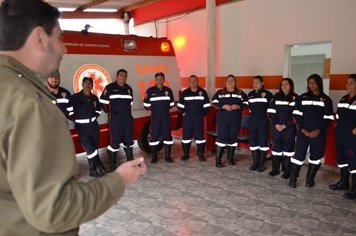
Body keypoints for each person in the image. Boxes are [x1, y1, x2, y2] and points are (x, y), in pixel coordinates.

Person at [0, 1, 147, 235]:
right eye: (60, 38)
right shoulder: (29, 103)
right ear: (39, 37)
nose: (64, 49)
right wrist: (118, 181)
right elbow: (54, 210)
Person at [290, 74, 334, 188]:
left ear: (319, 83)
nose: (312, 85)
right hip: (303, 132)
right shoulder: (302, 97)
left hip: (318, 134)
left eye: (314, 83)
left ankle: (310, 179)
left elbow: (328, 118)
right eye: (309, 83)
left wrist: (318, 130)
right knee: (298, 156)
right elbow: (296, 114)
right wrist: (302, 128)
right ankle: (293, 179)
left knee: (315, 156)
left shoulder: (326, 100)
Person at [71, 77, 107, 178]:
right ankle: (101, 167)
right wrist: (77, 120)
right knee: (90, 148)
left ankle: (92, 170)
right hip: (82, 128)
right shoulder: (75, 97)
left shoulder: (94, 98)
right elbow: (69, 112)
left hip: (93, 126)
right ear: (82, 84)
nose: (88, 84)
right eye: (86, 83)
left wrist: (93, 118)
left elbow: (99, 111)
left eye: (90, 83)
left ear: (92, 85)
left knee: (94, 148)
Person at [100, 69, 134, 171]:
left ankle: (130, 162)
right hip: (115, 120)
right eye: (121, 75)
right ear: (117, 76)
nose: (123, 77)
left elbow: (130, 104)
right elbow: (102, 101)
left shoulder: (129, 89)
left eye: (125, 76)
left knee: (129, 140)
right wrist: (109, 112)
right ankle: (113, 165)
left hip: (127, 119)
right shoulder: (110, 88)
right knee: (114, 142)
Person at [212, 74, 248, 167]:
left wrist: (238, 106)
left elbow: (247, 103)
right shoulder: (220, 92)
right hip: (222, 120)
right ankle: (218, 160)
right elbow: (214, 102)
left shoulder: (240, 93)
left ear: (235, 82)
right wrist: (223, 106)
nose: (230, 82)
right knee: (221, 139)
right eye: (228, 80)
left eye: (232, 80)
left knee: (233, 138)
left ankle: (231, 158)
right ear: (225, 82)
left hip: (235, 120)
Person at [329, 74, 356, 199]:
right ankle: (344, 182)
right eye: (347, 83)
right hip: (340, 134)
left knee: (353, 161)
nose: (348, 85)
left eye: (351, 82)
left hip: (352, 136)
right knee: (342, 159)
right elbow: (338, 115)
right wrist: (337, 125)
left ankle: (355, 189)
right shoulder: (344, 99)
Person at [267, 78, 298, 178]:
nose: (284, 86)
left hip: (289, 128)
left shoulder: (296, 98)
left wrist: (285, 125)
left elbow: (296, 115)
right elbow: (271, 112)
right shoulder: (276, 96)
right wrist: (276, 124)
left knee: (288, 150)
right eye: (282, 84)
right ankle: (275, 169)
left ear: (291, 85)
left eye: (286, 84)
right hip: (276, 128)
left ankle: (287, 171)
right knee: (276, 149)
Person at [143, 72, 175, 163]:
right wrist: (155, 110)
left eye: (161, 78)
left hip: (166, 117)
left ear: (164, 80)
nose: (160, 80)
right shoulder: (150, 91)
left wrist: (163, 109)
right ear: (155, 80)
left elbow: (171, 104)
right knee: (154, 137)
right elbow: (146, 105)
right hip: (155, 117)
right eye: (158, 78)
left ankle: (167, 157)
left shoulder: (168, 91)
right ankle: (154, 157)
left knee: (167, 136)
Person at [177, 75, 210, 161]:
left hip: (198, 118)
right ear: (188, 82)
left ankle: (201, 155)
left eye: (194, 81)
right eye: (191, 81)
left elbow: (207, 105)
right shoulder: (185, 93)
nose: (193, 82)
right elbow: (180, 105)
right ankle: (186, 154)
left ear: (197, 81)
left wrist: (203, 114)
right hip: (188, 119)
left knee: (200, 137)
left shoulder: (202, 92)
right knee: (186, 137)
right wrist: (184, 112)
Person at [247, 75, 273, 172]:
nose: (255, 84)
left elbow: (271, 109)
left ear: (262, 83)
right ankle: (255, 163)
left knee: (263, 143)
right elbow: (249, 109)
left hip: (263, 121)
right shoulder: (250, 94)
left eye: (257, 82)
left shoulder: (268, 94)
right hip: (252, 121)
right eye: (254, 83)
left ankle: (261, 164)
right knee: (253, 142)